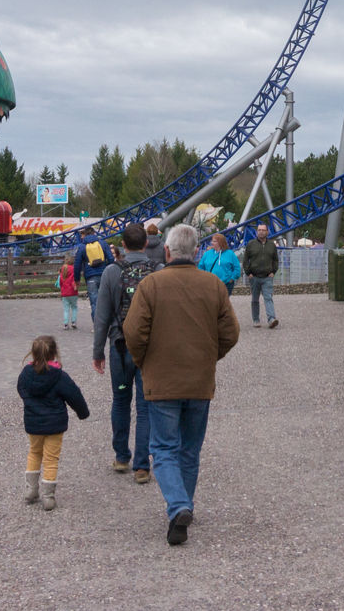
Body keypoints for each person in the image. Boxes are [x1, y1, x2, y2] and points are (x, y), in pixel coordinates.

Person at [124, 224, 239, 546]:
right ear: (197, 252)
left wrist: (145, 361)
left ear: (167, 251)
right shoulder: (214, 285)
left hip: (162, 381)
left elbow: (133, 332)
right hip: (199, 380)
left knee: (163, 448)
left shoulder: (151, 285)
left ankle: (178, 506)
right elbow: (230, 333)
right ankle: (184, 505)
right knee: (190, 449)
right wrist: (209, 357)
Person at [92, 223, 157, 481]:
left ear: (122, 244)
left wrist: (98, 351)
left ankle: (121, 457)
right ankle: (142, 465)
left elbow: (102, 316)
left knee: (120, 401)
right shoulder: (157, 271)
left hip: (119, 346)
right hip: (149, 349)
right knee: (145, 406)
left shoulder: (111, 272)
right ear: (145, 244)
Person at [16, 334, 89, 511]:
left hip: (33, 423)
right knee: (51, 459)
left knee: (34, 453)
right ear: (54, 353)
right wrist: (83, 412)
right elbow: (74, 395)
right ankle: (48, 496)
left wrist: (31, 404)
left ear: (33, 354)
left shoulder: (25, 374)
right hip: (55, 424)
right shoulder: (59, 376)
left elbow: (21, 390)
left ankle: (31, 489)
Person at [242, 222, 280, 328]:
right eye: (259, 230)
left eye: (263, 230)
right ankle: (256, 320)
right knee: (255, 299)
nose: (261, 232)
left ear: (267, 232)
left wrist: (273, 271)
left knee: (268, 298)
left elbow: (275, 260)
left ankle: (271, 319)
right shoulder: (251, 244)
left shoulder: (272, 245)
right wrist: (248, 273)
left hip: (267, 277)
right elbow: (245, 260)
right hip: (254, 277)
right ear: (256, 232)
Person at [70, 233, 116, 313]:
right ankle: (107, 320)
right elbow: (111, 259)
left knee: (94, 303)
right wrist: (107, 269)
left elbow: (77, 264)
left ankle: (96, 320)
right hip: (104, 275)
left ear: (85, 235)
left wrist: (77, 280)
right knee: (107, 301)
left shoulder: (82, 247)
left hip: (90, 277)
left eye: (82, 235)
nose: (81, 237)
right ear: (94, 234)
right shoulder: (103, 243)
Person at [58, 258, 80, 329]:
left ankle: (66, 324)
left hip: (65, 293)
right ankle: (73, 322)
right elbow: (76, 279)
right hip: (73, 292)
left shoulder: (63, 270)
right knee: (74, 308)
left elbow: (60, 283)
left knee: (66, 309)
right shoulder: (74, 269)